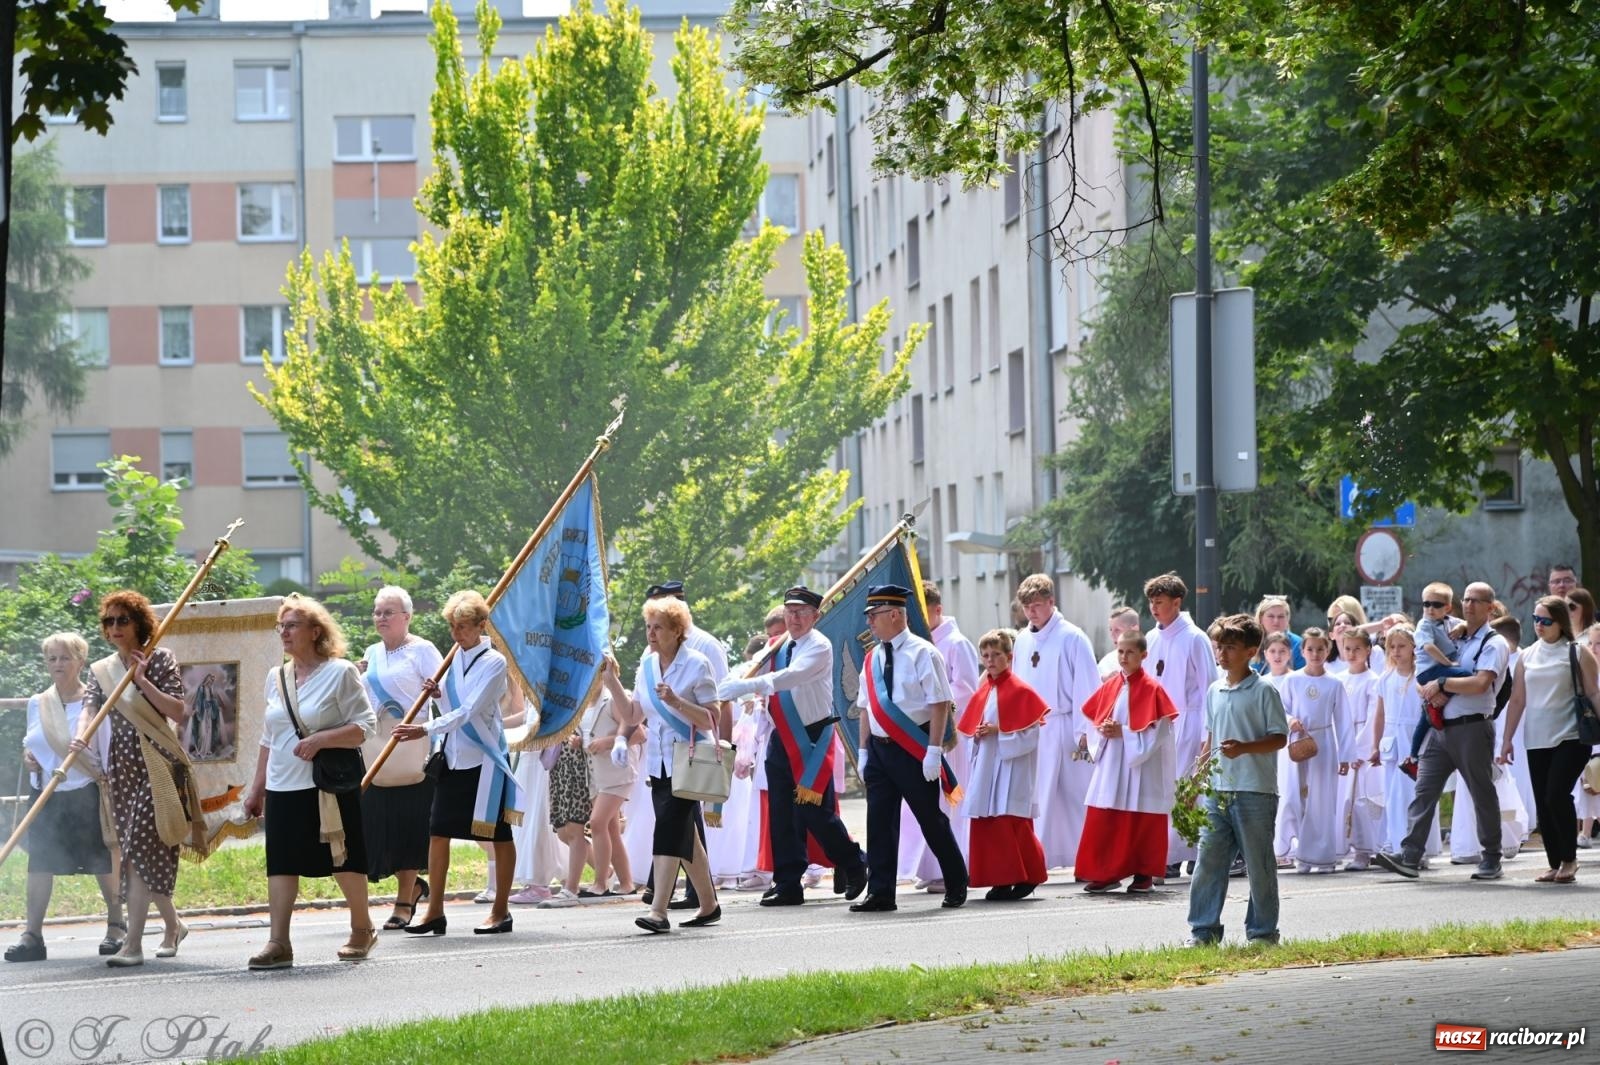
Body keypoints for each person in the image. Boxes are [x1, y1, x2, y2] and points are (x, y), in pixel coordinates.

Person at [242, 594, 378, 970]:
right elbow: (269, 738)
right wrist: (257, 789)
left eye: (292, 625)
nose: (284, 632)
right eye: (281, 626)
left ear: (315, 631)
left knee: (343, 858)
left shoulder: (341, 672)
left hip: (327, 784)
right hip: (283, 785)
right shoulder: (277, 677)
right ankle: (278, 942)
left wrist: (321, 739)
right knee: (281, 863)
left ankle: (362, 929)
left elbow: (366, 726)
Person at [716, 586, 868, 906]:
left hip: (811, 737)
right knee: (782, 814)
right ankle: (787, 882)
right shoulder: (777, 646)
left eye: (801, 612)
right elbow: (751, 668)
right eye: (789, 611)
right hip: (780, 737)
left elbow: (789, 678)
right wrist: (730, 682)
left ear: (816, 616)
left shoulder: (820, 646)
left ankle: (854, 862)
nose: (794, 618)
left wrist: (744, 686)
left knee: (814, 813)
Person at [78, 590, 201, 968]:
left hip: (156, 764)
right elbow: (90, 707)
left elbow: (179, 712)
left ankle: (132, 944)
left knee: (135, 850)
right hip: (122, 769)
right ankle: (173, 925)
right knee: (141, 851)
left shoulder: (159, 657)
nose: (114, 628)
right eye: (108, 621)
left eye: (122, 620)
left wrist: (142, 680)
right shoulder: (101, 669)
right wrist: (80, 736)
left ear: (139, 624)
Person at [392, 590, 522, 936]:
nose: (456, 634)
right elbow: (453, 703)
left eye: (463, 627)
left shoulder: (494, 662)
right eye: (453, 626)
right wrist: (439, 693)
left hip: (484, 760)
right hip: (453, 757)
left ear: (481, 626)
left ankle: (501, 910)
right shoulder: (454, 660)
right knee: (438, 832)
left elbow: (470, 711)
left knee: (496, 834)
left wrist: (423, 728)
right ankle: (434, 910)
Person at [1375, 582, 1510, 881]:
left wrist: (1443, 685)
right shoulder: (1453, 633)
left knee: (1481, 793)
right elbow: (1425, 667)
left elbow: (1480, 683)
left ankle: (1491, 856)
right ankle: (1410, 855)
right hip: (1440, 727)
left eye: (1478, 600)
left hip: (1472, 726)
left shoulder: (1494, 643)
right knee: (1423, 790)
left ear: (1490, 607)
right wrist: (1432, 687)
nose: (1470, 604)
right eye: (1467, 599)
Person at [6, 633, 123, 963]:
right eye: (52, 658)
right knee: (39, 864)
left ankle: (117, 926)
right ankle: (32, 936)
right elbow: (33, 743)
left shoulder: (95, 704)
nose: (57, 664)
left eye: (64, 658)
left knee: (103, 861)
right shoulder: (37, 703)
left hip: (85, 791)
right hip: (46, 794)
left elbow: (106, 750)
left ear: (80, 662)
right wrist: (29, 757)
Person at [850, 584, 967, 912]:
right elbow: (865, 707)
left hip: (913, 746)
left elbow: (940, 703)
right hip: (879, 748)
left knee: (930, 819)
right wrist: (862, 751)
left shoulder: (923, 651)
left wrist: (933, 750)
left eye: (874, 615)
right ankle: (881, 892)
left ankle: (957, 882)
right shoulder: (872, 657)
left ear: (894, 614)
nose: (870, 622)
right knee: (880, 822)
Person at [1186, 615, 1288, 947]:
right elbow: (1211, 737)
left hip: (1255, 790)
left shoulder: (1264, 690)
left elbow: (1279, 738)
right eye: (1220, 646)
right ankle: (1203, 931)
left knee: (1258, 865)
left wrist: (1245, 748)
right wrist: (1196, 778)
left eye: (1230, 647)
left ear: (1250, 651)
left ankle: (1262, 932)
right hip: (1218, 790)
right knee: (1208, 862)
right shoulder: (1215, 690)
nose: (1222, 653)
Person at [627, 594, 723, 933]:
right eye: (649, 627)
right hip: (659, 763)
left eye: (659, 628)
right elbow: (632, 714)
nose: (651, 634)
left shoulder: (697, 663)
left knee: (668, 827)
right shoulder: (647, 666)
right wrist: (609, 679)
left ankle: (658, 911)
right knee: (686, 834)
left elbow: (713, 717)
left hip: (689, 758)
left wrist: (678, 701)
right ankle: (709, 905)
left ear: (676, 630)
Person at [1497, 596, 1600, 883]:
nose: (1539, 625)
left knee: (1556, 795)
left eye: (1546, 621)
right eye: (1535, 619)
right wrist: (1506, 740)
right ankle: (1555, 862)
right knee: (1543, 802)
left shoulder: (1577, 652)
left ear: (1560, 623)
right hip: (1536, 738)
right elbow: (1517, 700)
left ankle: (1570, 859)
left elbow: (1593, 693)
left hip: (1572, 736)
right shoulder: (1527, 656)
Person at [357, 585, 442, 931]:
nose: (381, 617)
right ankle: (414, 886)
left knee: (409, 827)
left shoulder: (423, 650)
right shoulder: (371, 653)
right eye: (377, 611)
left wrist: (434, 693)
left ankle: (404, 900)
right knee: (378, 828)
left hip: (413, 746)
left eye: (388, 612)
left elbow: (446, 694)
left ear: (407, 617)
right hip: (377, 746)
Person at [1076, 630, 1179, 894]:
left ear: (1143, 655)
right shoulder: (1110, 685)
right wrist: (1102, 732)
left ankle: (1143, 874)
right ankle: (1106, 873)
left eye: (1130, 651)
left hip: (1141, 767)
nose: (1124, 656)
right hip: (1112, 762)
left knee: (1141, 819)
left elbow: (1160, 731)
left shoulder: (1153, 689)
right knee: (1105, 816)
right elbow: (1093, 719)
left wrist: (1123, 732)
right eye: (1120, 651)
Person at [1011, 573, 1099, 872]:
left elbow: (1087, 686)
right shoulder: (1022, 640)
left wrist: (1085, 731)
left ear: (1051, 602)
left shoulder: (1072, 637)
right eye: (1026, 607)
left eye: (1036, 605)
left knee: (1074, 795)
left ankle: (1086, 858)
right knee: (1036, 797)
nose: (1031, 612)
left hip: (1065, 726)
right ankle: (1041, 857)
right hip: (1033, 730)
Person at [956, 629, 1049, 900]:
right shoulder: (984, 688)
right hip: (987, 765)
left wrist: (1000, 731)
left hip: (1011, 767)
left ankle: (1025, 875)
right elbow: (974, 726)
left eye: (996, 655)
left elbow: (1031, 734)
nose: (990, 660)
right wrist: (979, 733)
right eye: (985, 655)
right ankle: (1001, 879)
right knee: (989, 822)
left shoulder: (1021, 690)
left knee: (1011, 822)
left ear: (1009, 657)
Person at [901, 579, 980, 891]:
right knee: (927, 803)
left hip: (951, 735)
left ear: (938, 610)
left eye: (923, 613)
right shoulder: (918, 643)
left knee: (950, 804)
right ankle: (930, 867)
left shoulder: (956, 643)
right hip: (924, 733)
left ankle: (952, 868)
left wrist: (933, 699)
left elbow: (968, 689)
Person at [1143, 573, 1215, 878]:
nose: (1154, 608)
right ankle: (1167, 852)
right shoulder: (1150, 638)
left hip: (1190, 720)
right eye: (1151, 602)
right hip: (1160, 725)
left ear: (1177, 602)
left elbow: (1209, 686)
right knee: (1162, 789)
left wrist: (1206, 735)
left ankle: (1186, 853)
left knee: (1186, 789)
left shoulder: (1195, 638)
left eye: (1160, 602)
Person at [1278, 628, 1352, 873]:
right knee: (1297, 796)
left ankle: (1322, 855)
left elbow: (1343, 720)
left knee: (1322, 798)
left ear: (1327, 650)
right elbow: (1282, 709)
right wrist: (1290, 721)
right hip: (1298, 742)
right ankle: (1301, 853)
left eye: (1320, 649)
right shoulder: (1292, 680)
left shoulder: (1334, 683)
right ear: (1302, 651)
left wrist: (1346, 756)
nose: (1315, 653)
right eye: (1310, 649)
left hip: (1324, 743)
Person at [1369, 626, 1439, 861]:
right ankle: (1398, 844)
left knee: (1415, 794)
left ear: (1413, 647)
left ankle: (1420, 848)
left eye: (1401, 646)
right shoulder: (1385, 678)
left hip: (1416, 740)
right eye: (1391, 647)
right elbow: (1379, 715)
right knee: (1394, 795)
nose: (1396, 651)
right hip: (1392, 743)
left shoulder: (1422, 676)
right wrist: (1375, 745)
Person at [582, 655, 640, 897]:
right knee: (611, 829)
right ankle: (627, 883)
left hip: (617, 773)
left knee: (597, 823)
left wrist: (608, 742)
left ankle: (600, 883)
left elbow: (639, 734)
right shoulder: (587, 703)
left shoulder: (613, 699)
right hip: (597, 774)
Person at [1400, 583, 1469, 778]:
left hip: (1439, 670)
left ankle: (1412, 758)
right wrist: (1448, 664)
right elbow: (1429, 647)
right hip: (1430, 671)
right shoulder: (1424, 624)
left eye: (1436, 604)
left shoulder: (1450, 621)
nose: (1430, 608)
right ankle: (1439, 700)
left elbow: (1468, 625)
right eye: (1426, 604)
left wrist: (1463, 625)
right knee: (1465, 675)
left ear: (1447, 607)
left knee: (1426, 719)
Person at [1337, 629, 1383, 870]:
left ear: (1368, 651)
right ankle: (1347, 846)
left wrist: (1357, 750)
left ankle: (1366, 850)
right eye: (1347, 648)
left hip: (1360, 749)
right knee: (1344, 801)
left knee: (1362, 801)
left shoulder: (1373, 681)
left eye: (1357, 648)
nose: (1352, 653)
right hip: (1343, 745)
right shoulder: (1339, 679)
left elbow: (1372, 717)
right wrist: (1341, 748)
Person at [1253, 596, 1305, 673]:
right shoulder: (1250, 642)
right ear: (1261, 618)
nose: (1276, 621)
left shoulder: (1298, 644)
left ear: (1287, 619)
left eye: (1281, 617)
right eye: (1271, 616)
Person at [1097, 606, 1143, 680]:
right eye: (1110, 630)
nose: (1112, 635)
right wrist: (1104, 680)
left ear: (1134, 629)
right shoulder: (1107, 662)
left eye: (1117, 630)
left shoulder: (1151, 655)